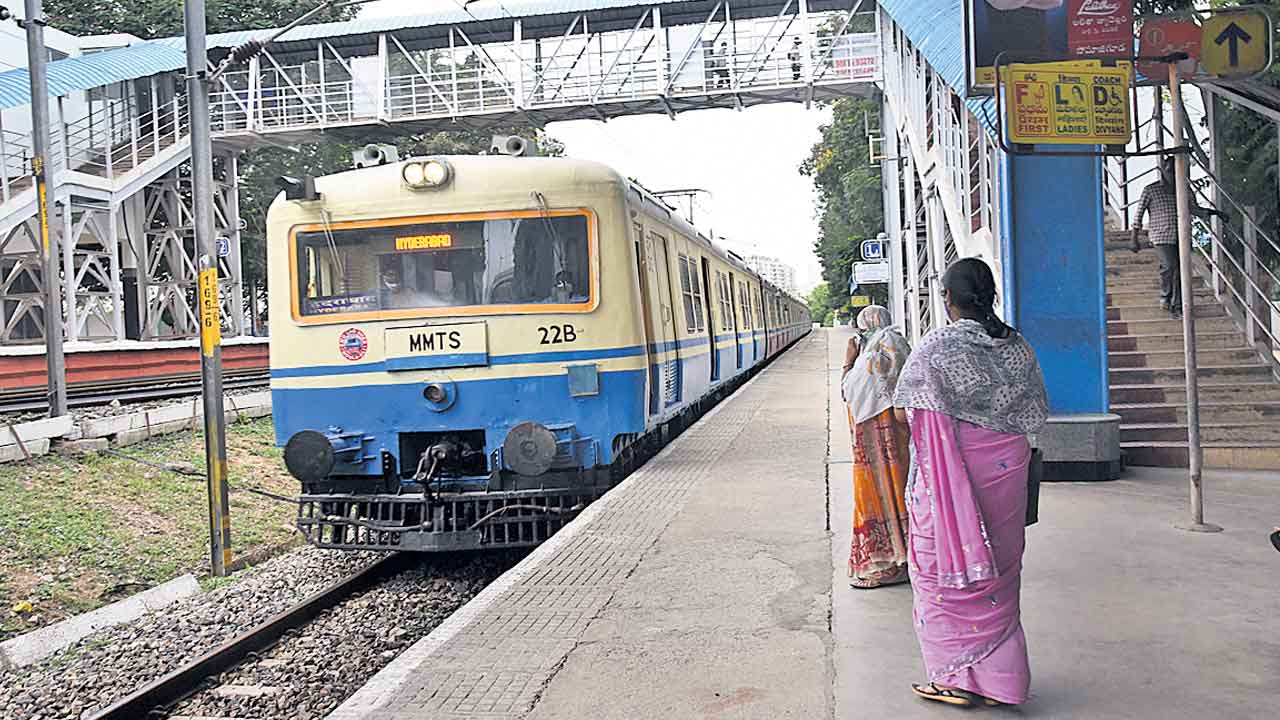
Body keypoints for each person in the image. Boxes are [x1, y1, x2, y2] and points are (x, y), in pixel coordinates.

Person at [893, 258, 1049, 709]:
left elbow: (907, 410)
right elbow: (1036, 409)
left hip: (956, 470)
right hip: (1005, 472)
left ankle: (955, 680)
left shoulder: (939, 346)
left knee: (941, 565)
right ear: (991, 296)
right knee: (998, 570)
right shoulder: (1017, 345)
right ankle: (1004, 682)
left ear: (949, 300)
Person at [840, 305, 912, 588]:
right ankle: (906, 555)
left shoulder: (873, 352)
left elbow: (850, 390)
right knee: (900, 493)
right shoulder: (897, 343)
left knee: (879, 498)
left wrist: (848, 361)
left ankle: (888, 562)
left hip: (874, 447)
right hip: (897, 441)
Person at [1131, 157, 1226, 319]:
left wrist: (1216, 213)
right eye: (1170, 170)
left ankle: (1177, 304)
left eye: (1176, 171)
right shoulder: (1151, 190)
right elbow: (1138, 214)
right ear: (1163, 171)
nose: (1173, 174)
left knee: (1180, 270)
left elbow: (1194, 209)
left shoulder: (1185, 190)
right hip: (1161, 236)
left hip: (1181, 235)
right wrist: (1134, 238)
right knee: (1170, 266)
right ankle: (1166, 296)